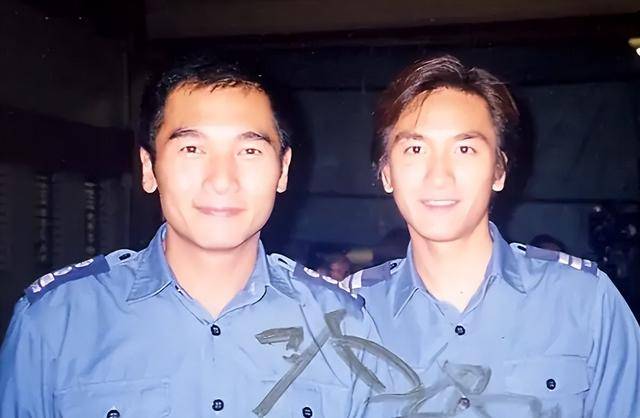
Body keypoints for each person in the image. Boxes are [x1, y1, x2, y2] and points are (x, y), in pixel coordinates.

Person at [0, 57, 384, 417]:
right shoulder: (56, 321)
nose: (222, 180)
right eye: (192, 148)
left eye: (249, 150)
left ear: (282, 170)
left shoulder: (344, 325)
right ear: (149, 168)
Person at [343, 55, 640, 417]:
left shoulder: (585, 301)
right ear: (387, 173)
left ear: (499, 170)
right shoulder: (345, 314)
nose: (440, 176)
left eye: (464, 149)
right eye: (415, 149)